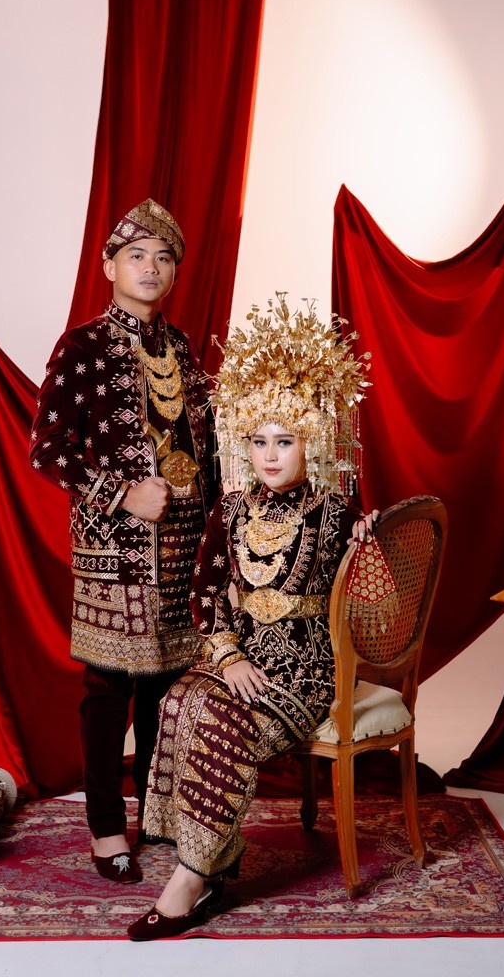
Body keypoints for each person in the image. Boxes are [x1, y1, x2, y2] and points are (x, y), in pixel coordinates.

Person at [127, 293, 374, 940]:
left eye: (284, 441)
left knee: (216, 720)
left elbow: (374, 604)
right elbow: (205, 593)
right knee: (177, 701)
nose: (269, 455)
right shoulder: (230, 510)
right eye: (259, 441)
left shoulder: (336, 513)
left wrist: (370, 540)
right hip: (240, 660)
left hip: (304, 673)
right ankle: (213, 858)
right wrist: (230, 655)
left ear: (311, 442)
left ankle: (190, 879)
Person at [29, 198, 217, 884]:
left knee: (165, 687)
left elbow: (205, 446)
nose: (150, 267)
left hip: (182, 548)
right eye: (136, 255)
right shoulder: (81, 346)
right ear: (109, 266)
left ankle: (157, 817)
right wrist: (121, 493)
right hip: (115, 550)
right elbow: (47, 448)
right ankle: (107, 828)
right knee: (109, 689)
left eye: (163, 258)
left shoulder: (182, 349)